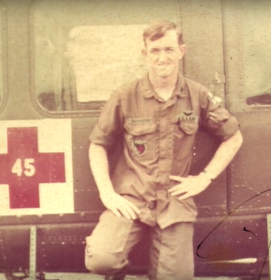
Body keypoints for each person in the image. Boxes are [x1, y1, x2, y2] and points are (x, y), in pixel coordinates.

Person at [85, 20, 243, 280]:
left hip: (174, 202)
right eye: (155, 50)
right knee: (101, 259)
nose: (162, 57)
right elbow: (98, 144)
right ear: (144, 54)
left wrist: (205, 178)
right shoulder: (125, 96)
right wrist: (107, 193)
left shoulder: (197, 95)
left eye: (169, 49)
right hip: (132, 199)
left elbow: (233, 137)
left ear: (181, 51)